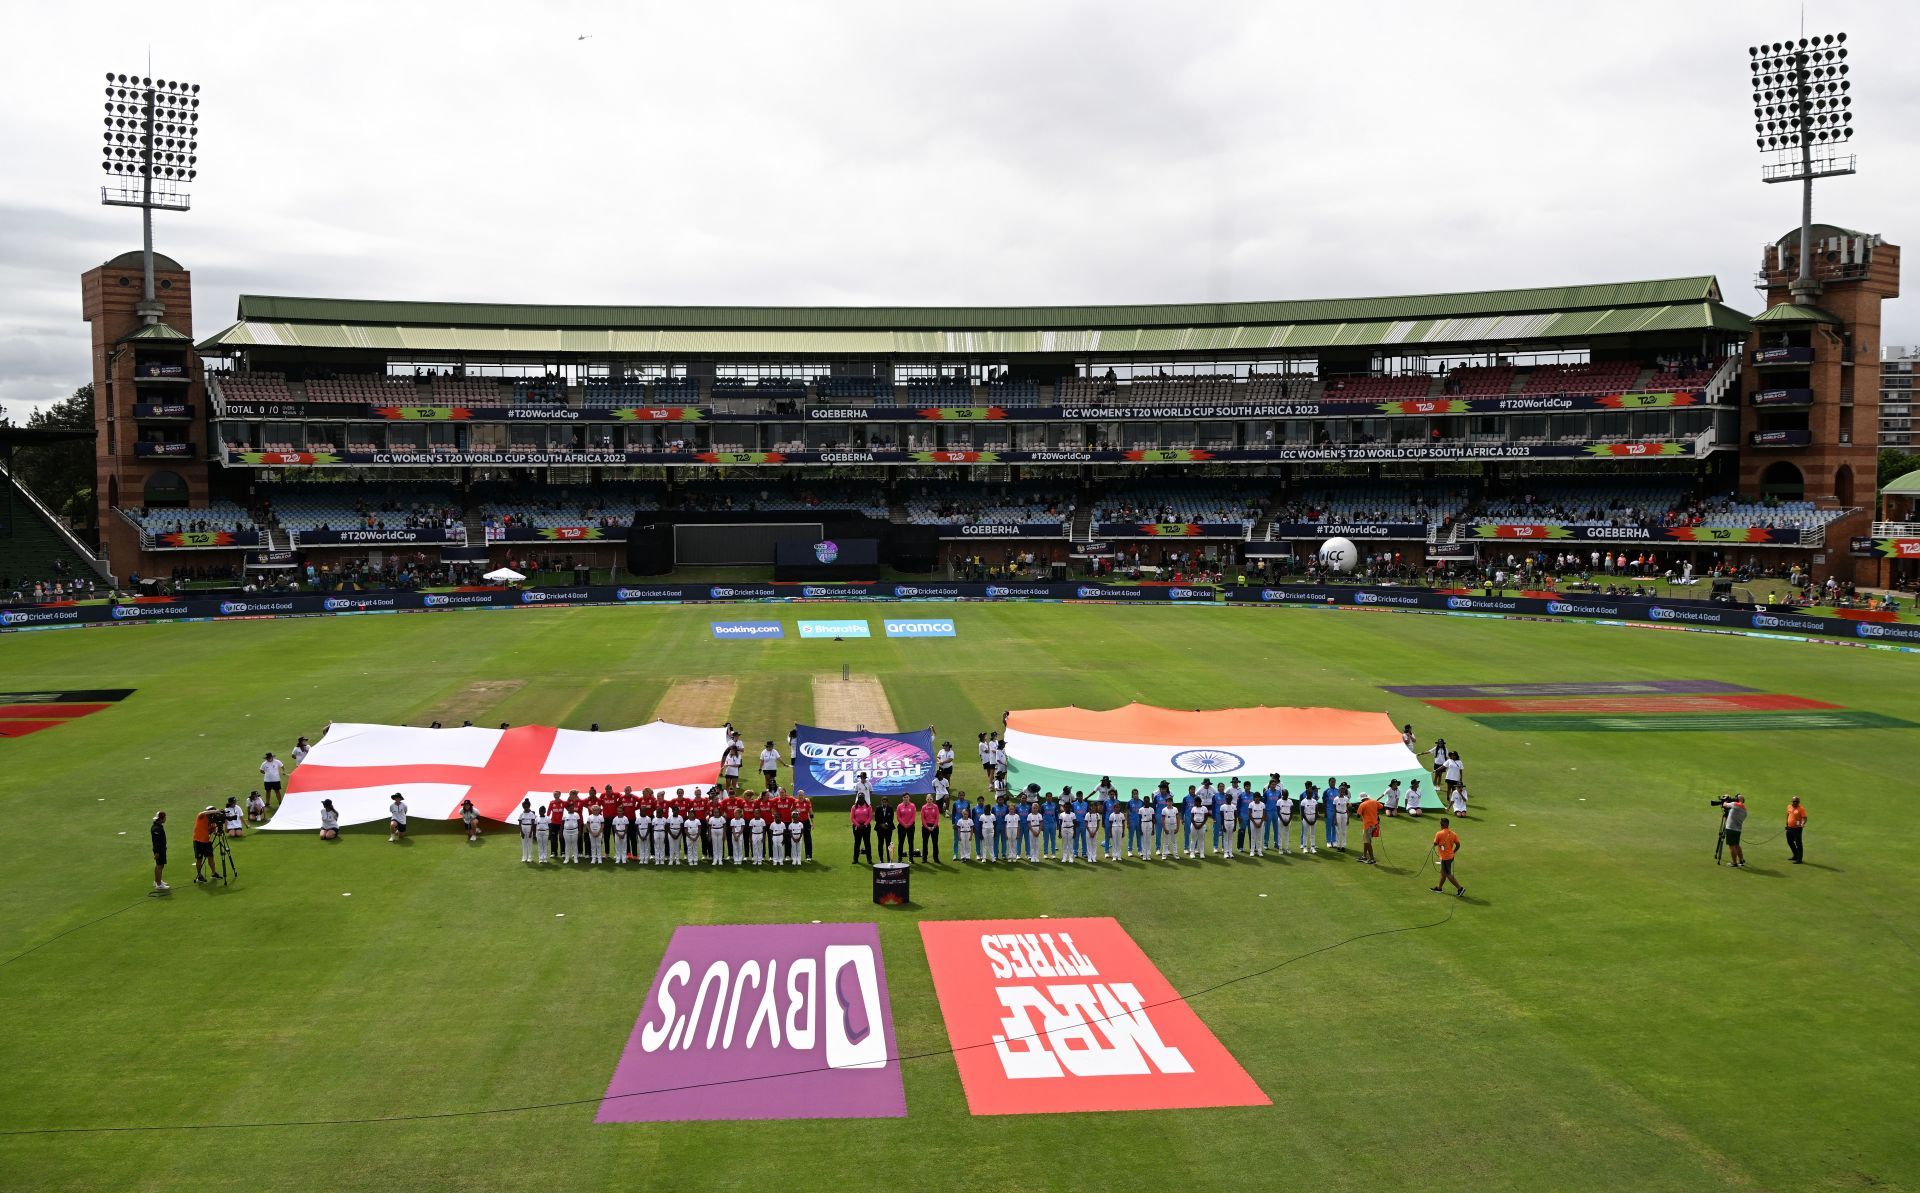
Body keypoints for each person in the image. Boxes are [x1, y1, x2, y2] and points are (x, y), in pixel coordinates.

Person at [1430, 818, 1465, 896]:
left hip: (1445, 858)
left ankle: (1460, 888)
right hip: (1450, 857)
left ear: (1442, 825)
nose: (1440, 825)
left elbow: (1435, 843)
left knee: (1448, 874)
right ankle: (1439, 888)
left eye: (1441, 824)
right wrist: (1453, 852)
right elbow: (1458, 845)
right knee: (1443, 873)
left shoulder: (1439, 833)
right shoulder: (1453, 834)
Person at [1721, 794, 1748, 868]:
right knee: (1737, 845)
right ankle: (1741, 860)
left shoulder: (1735, 804)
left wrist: (1726, 799)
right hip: (1738, 830)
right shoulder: (1745, 810)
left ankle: (1734, 863)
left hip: (1730, 829)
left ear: (1737, 799)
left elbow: (1724, 804)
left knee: (1731, 846)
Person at [1356, 791, 1383, 865]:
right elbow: (1381, 807)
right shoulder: (1374, 801)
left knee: (1368, 842)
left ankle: (1372, 859)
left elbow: (1358, 815)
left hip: (1367, 826)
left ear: (1362, 799)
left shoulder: (1362, 804)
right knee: (1366, 840)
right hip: (1374, 824)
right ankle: (1364, 856)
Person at [150, 811, 169, 893]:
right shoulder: (156, 829)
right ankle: (159, 884)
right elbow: (156, 842)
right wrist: (157, 852)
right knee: (159, 866)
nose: (165, 819)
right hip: (159, 850)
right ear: (161, 819)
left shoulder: (158, 826)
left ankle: (157, 880)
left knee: (159, 865)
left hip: (161, 849)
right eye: (164, 817)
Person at [896, 795, 919, 862]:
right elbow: (898, 817)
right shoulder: (899, 806)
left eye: (907, 797)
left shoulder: (912, 806)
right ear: (902, 798)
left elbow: (913, 816)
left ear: (909, 798)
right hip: (901, 827)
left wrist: (908, 824)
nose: (906, 798)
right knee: (901, 842)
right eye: (904, 797)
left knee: (911, 842)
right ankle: (900, 858)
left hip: (910, 827)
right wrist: (904, 824)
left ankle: (911, 859)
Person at [922, 794, 944, 863]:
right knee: (925, 843)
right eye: (928, 799)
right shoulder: (923, 807)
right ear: (926, 799)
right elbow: (923, 818)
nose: (929, 800)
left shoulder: (935, 807)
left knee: (935, 843)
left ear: (932, 799)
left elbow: (937, 817)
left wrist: (934, 826)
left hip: (934, 827)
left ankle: (936, 858)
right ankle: (924, 858)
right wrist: (927, 827)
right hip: (926, 827)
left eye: (930, 799)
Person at [1786, 796, 1807, 864]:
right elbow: (1788, 815)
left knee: (1798, 843)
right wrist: (1786, 824)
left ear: (1799, 802)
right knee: (1790, 842)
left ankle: (1799, 859)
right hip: (1789, 827)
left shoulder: (1801, 809)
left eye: (1797, 802)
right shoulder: (1789, 807)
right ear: (1791, 801)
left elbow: (1804, 818)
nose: (1795, 803)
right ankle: (1795, 855)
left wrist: (1802, 823)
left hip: (1797, 828)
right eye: (1794, 801)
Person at [1331, 783, 1351, 851]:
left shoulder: (1346, 799)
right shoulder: (1336, 799)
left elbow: (1348, 809)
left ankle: (1343, 846)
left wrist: (1348, 818)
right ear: (1338, 791)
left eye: (1343, 791)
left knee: (1344, 831)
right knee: (1337, 830)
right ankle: (1338, 846)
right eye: (1341, 791)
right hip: (1338, 814)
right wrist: (1335, 819)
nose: (1342, 792)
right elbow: (1334, 809)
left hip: (1344, 814)